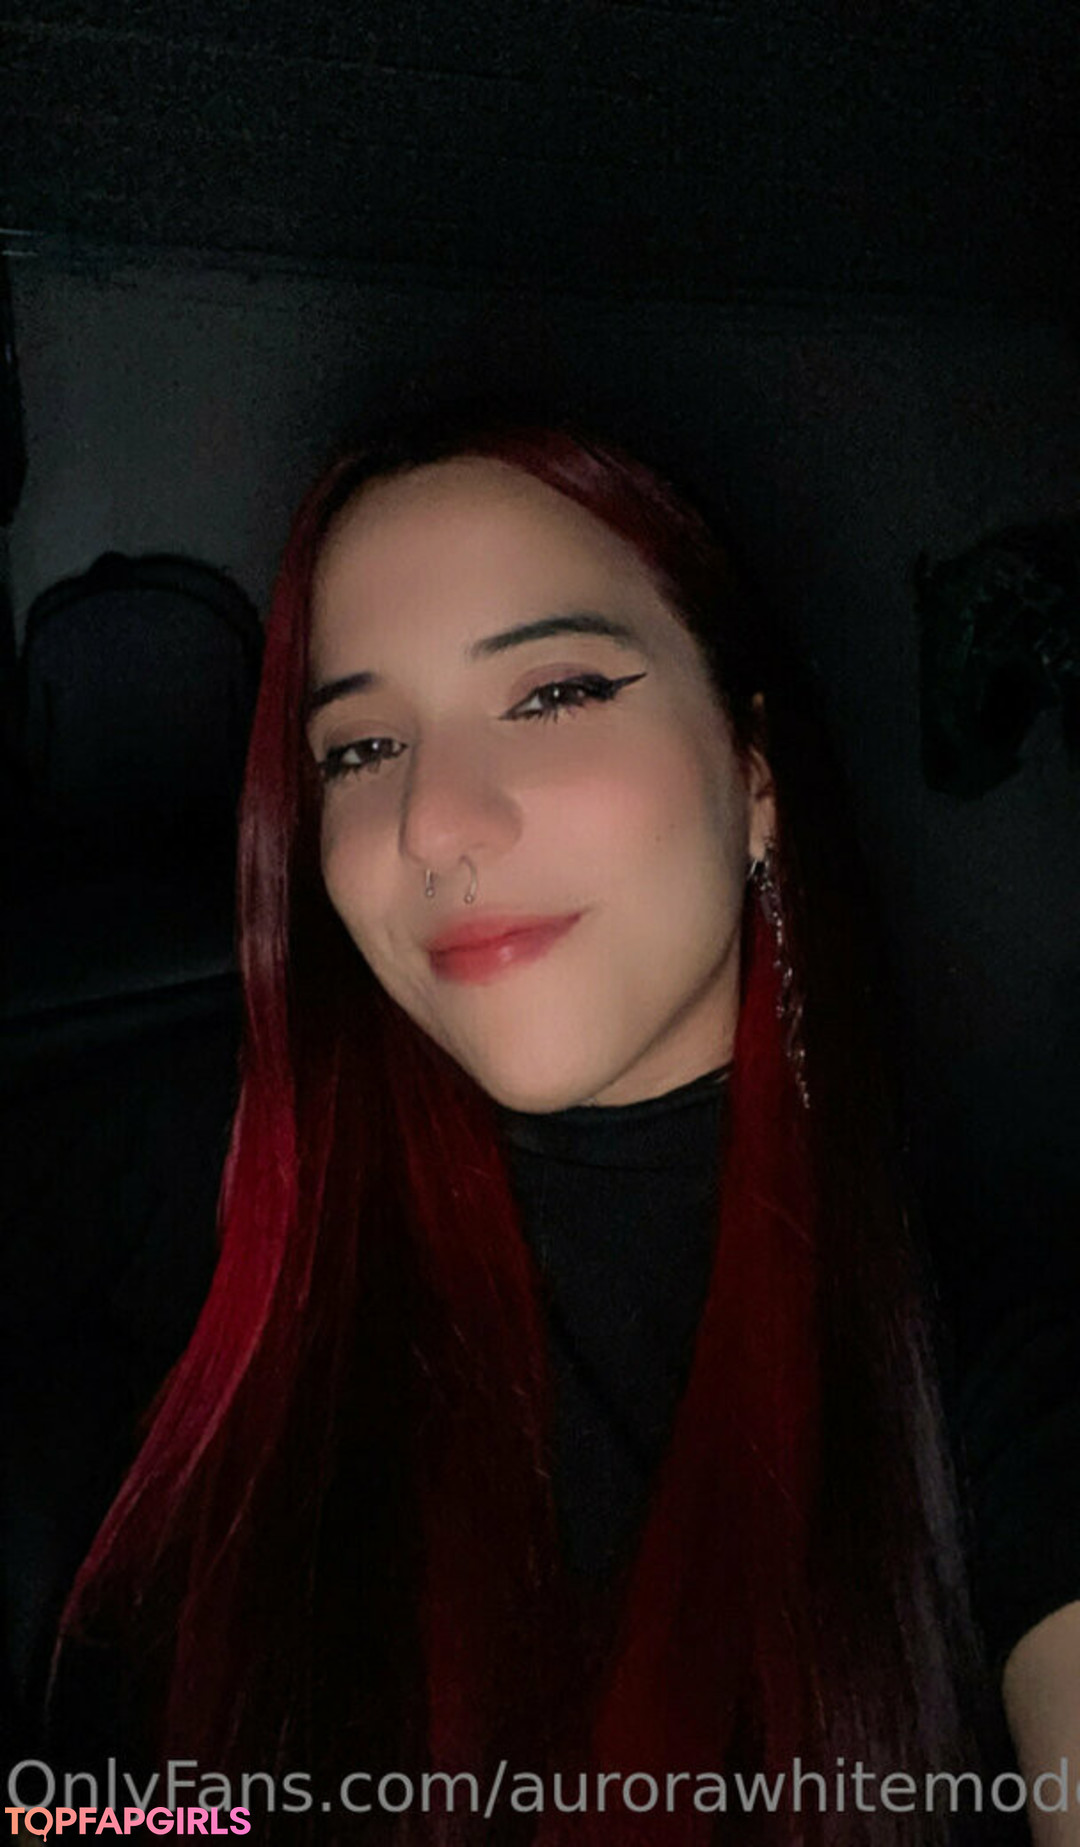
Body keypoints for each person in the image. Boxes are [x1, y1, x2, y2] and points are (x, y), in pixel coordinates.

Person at [56, 411, 976, 1843]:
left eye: (552, 695)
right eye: (363, 746)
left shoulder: (979, 1344)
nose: (432, 824)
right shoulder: (219, 1264)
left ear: (754, 777)